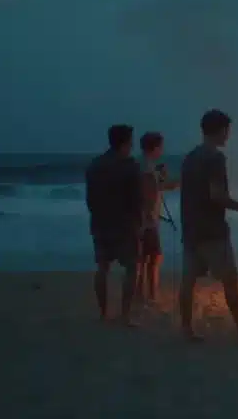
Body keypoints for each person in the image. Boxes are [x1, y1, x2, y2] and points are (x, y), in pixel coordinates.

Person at [178, 109, 238, 343]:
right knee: (230, 280)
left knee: (188, 281)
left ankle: (186, 329)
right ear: (220, 131)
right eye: (227, 131)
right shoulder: (215, 158)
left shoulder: (189, 157)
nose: (228, 136)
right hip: (212, 230)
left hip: (191, 228)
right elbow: (216, 195)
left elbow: (187, 193)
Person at [85, 124, 143, 326]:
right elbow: (137, 199)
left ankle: (104, 313)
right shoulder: (130, 166)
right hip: (125, 225)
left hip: (101, 223)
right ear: (126, 142)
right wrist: (140, 222)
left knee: (102, 268)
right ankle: (125, 315)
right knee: (131, 268)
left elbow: (90, 200)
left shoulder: (95, 165)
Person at [136, 131, 180, 306]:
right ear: (155, 147)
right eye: (161, 147)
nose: (162, 150)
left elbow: (157, 187)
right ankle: (150, 296)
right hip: (147, 222)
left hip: (142, 220)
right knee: (154, 257)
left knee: (143, 258)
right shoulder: (146, 168)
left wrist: (164, 179)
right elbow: (150, 193)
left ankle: (141, 294)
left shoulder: (142, 165)